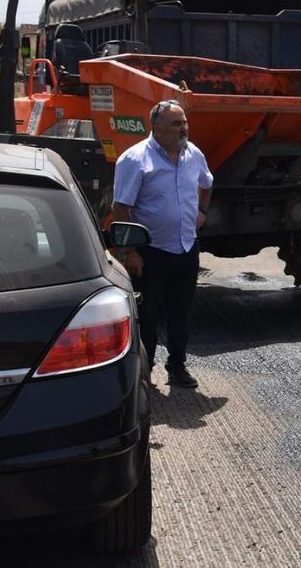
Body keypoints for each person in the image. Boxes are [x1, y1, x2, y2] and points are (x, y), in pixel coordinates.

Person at [112, 99, 213, 390]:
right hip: (150, 252)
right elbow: (121, 208)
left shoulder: (193, 154)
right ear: (155, 127)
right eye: (176, 123)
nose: (184, 128)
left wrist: (202, 213)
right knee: (149, 314)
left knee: (181, 311)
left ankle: (177, 367)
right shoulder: (135, 159)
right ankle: (144, 372)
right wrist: (129, 251)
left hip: (185, 248)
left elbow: (207, 183)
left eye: (184, 122)